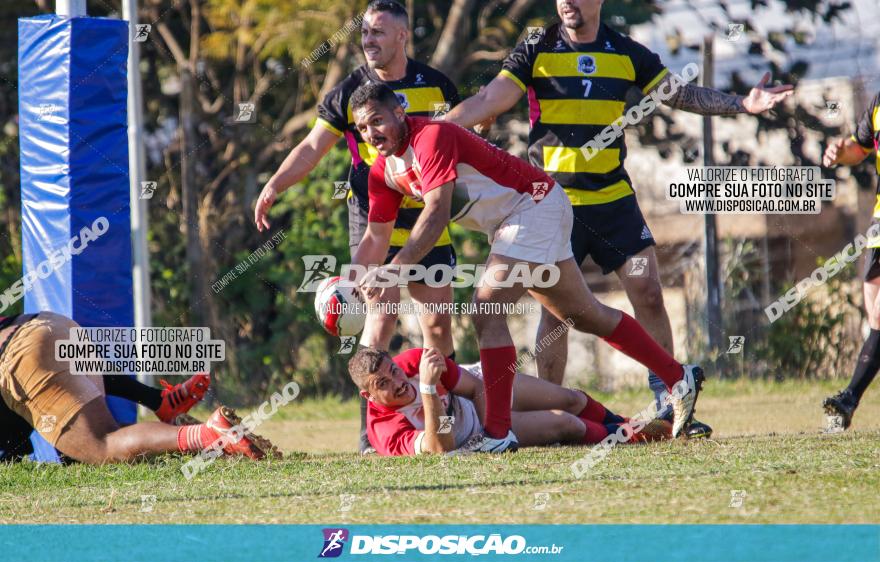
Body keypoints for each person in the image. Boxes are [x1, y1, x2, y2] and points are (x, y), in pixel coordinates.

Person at [443, 0, 792, 437]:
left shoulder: (626, 51)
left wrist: (743, 103)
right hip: (551, 206)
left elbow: (681, 94)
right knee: (557, 316)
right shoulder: (537, 46)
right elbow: (492, 98)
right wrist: (436, 133)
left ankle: (671, 403)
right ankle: (550, 415)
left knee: (647, 291)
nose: (566, 2)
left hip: (613, 202)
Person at [347, 81, 703, 453]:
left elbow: (435, 215)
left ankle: (498, 434)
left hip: (533, 207)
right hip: (520, 219)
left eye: (377, 121)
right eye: (362, 129)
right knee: (586, 316)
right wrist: (350, 282)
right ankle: (679, 377)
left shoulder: (431, 137)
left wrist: (396, 268)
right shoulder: (382, 172)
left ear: (400, 113)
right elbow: (375, 236)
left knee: (486, 309)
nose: (371, 134)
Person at [253, 0, 466, 454]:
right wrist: (275, 183)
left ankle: (453, 423)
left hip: (430, 217)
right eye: (365, 33)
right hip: (374, 221)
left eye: (378, 33)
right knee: (379, 323)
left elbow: (466, 129)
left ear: (402, 37)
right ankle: (372, 436)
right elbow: (312, 147)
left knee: (438, 328)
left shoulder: (436, 84)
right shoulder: (347, 92)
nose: (368, 41)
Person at [0, 312, 273, 463]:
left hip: (20, 353)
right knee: (87, 450)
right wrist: (150, 398)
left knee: (103, 445)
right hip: (51, 324)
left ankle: (208, 434)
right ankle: (161, 401)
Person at [349, 346, 671, 456]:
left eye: (394, 371)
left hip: (479, 394)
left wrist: (499, 426)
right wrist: (431, 392)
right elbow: (439, 448)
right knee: (565, 422)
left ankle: (632, 424)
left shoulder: (415, 361)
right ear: (368, 395)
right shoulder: (384, 431)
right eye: (384, 384)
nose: (398, 382)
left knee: (571, 398)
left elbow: (477, 388)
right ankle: (644, 434)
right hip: (470, 435)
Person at [821, 90, 880, 431]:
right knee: (874, 315)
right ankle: (848, 401)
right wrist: (841, 152)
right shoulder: (877, 103)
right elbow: (861, 147)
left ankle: (849, 399)